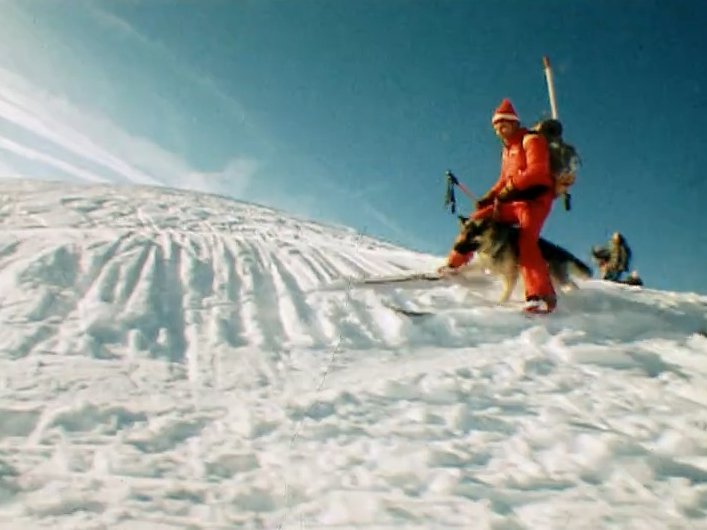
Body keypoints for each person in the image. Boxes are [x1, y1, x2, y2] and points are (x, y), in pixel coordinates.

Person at [439, 98, 558, 314]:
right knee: (476, 220)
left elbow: (537, 171)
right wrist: (489, 196)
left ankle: (540, 296)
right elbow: (502, 181)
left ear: (514, 123)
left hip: (534, 201)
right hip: (512, 201)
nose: (498, 130)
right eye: (495, 127)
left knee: (526, 242)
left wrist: (510, 188)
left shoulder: (531, 140)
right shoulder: (507, 151)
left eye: (503, 124)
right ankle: (455, 263)